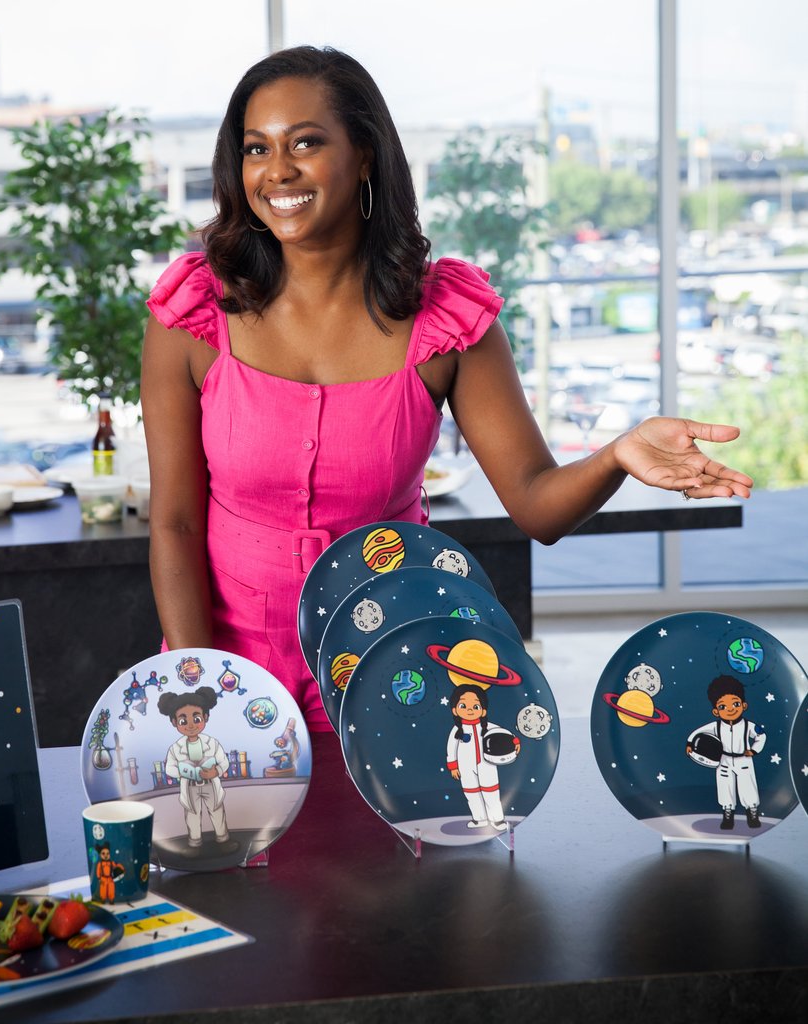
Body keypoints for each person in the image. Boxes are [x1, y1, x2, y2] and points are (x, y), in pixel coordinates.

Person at [141, 45, 752, 734]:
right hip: (225, 676)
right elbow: (176, 523)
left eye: (306, 142)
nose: (278, 170)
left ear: (365, 154)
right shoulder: (194, 312)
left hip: (395, 674)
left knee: (385, 846)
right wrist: (200, 689)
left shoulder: (447, 319)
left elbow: (536, 507)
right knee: (235, 847)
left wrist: (617, 453)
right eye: (257, 148)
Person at [686, 675, 765, 830]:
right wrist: (690, 743)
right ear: (716, 711)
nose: (730, 709)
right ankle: (728, 814)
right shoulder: (716, 726)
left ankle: (752, 812)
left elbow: (760, 736)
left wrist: (754, 750)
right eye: (723, 706)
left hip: (743, 759)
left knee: (747, 786)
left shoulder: (748, 725)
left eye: (735, 704)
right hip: (723, 761)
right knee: (725, 787)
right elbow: (698, 732)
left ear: (744, 705)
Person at [159, 687, 231, 847]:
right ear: (174, 722)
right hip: (190, 786)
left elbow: (224, 762)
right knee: (192, 814)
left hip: (210, 784)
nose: (190, 725)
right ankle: (194, 842)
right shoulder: (175, 748)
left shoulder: (212, 743)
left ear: (205, 717)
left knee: (217, 811)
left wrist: (215, 772)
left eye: (196, 719)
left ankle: (223, 839)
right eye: (183, 721)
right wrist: (184, 771)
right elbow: (169, 768)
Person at [446, 685, 519, 832]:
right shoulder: (456, 731)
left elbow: (504, 734)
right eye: (463, 705)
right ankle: (479, 819)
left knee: (491, 792)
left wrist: (515, 742)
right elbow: (451, 749)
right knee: (471, 793)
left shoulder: (488, 727)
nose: (470, 709)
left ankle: (497, 819)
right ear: (455, 709)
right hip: (465, 767)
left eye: (475, 705)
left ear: (483, 710)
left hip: (487, 765)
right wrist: (453, 766)